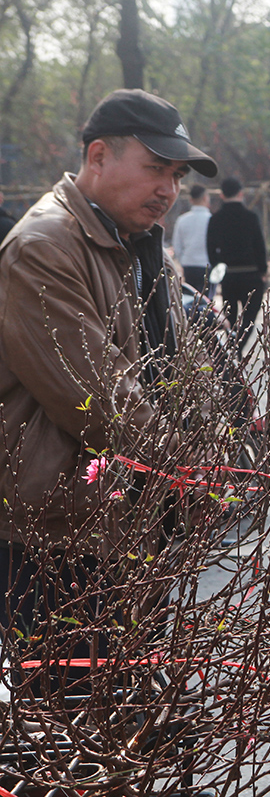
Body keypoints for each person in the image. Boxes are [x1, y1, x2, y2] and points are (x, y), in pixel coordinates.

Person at [0, 88, 216, 662]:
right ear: (98, 157)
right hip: (56, 534)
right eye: (154, 169)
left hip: (125, 522)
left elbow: (180, 369)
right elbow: (99, 399)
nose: (168, 189)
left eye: (175, 175)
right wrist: (191, 476)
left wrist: (213, 446)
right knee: (66, 721)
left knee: (133, 718)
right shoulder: (43, 248)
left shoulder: (139, 246)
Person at [207, 176, 267, 353]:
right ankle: (237, 349)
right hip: (252, 274)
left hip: (229, 275)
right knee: (249, 317)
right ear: (241, 193)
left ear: (221, 195)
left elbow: (211, 249)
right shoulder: (251, 217)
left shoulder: (215, 219)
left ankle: (233, 348)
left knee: (230, 316)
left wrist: (219, 269)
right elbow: (260, 246)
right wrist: (263, 270)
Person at [171, 183, 212, 294]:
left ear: (191, 199)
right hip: (208, 265)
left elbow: (177, 244)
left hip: (189, 264)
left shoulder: (182, 219)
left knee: (191, 300)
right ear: (205, 198)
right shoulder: (212, 220)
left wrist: (183, 260)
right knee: (207, 301)